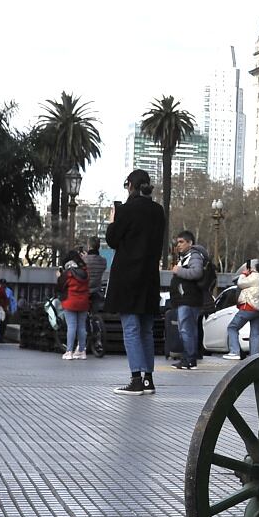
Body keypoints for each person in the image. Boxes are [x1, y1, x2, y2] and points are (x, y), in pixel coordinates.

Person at [105, 168, 165, 395]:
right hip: (149, 277)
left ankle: (135, 379)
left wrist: (113, 220)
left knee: (130, 328)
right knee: (146, 330)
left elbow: (112, 240)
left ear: (130, 185)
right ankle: (148, 379)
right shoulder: (158, 211)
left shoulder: (126, 210)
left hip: (128, 276)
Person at [168, 230, 211, 369]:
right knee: (188, 329)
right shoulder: (186, 256)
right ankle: (189, 358)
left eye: (181, 242)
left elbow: (197, 272)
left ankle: (190, 359)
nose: (178, 245)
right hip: (186, 299)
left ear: (190, 243)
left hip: (189, 300)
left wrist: (178, 271)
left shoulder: (194, 256)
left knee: (186, 330)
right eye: (177, 242)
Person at [223, 259, 259, 360]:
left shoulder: (256, 276)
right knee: (255, 334)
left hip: (248, 306)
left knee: (232, 327)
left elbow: (240, 283)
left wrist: (244, 274)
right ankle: (254, 357)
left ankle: (235, 351)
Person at [59, 256, 91, 360]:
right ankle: (81, 351)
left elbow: (60, 286)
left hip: (70, 302)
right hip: (83, 303)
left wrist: (59, 276)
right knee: (82, 327)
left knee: (72, 326)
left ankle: (69, 352)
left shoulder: (67, 274)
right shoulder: (85, 274)